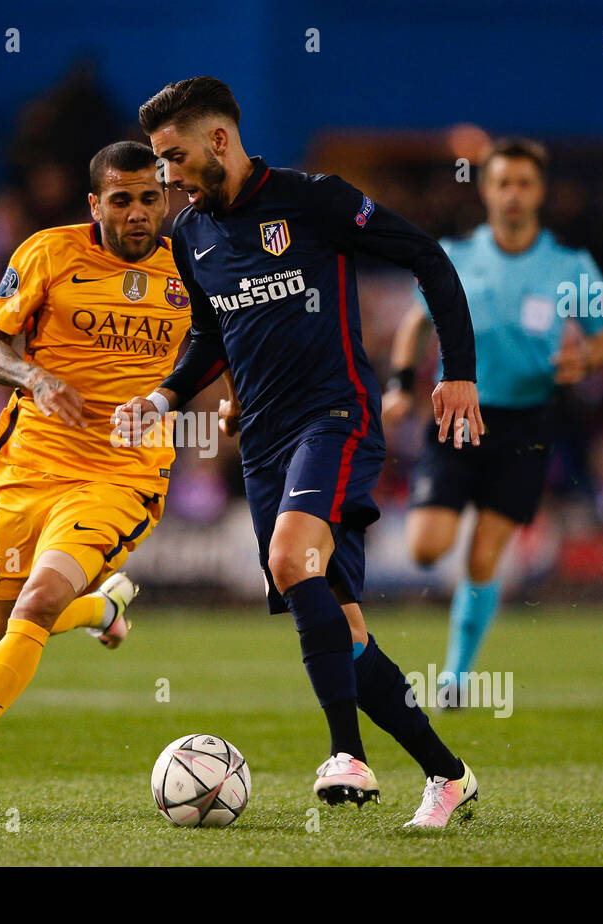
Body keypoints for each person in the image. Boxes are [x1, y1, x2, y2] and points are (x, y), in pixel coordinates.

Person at [118, 77, 482, 827]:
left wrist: (459, 372)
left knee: (290, 561)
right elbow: (211, 333)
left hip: (336, 418)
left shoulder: (315, 201)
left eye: (174, 157)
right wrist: (161, 400)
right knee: (344, 630)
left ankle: (345, 754)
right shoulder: (190, 236)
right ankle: (447, 775)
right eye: (159, 163)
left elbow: (429, 259)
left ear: (219, 140)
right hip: (263, 447)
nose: (167, 178)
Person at [0, 142, 190, 806]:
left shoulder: (191, 270)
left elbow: (224, 354)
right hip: (31, 463)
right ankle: (103, 606)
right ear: (96, 204)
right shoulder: (48, 253)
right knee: (5, 629)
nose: (139, 213)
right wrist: (35, 374)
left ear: (167, 199)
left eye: (151, 197)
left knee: (35, 606)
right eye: (122, 200)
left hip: (119, 473)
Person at [382, 138, 603, 704]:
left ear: (540, 192)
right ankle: (449, 510)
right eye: (503, 182)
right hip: (458, 416)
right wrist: (399, 384)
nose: (513, 194)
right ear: (486, 190)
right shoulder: (454, 256)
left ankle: (456, 678)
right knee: (425, 550)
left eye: (524, 183)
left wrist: (583, 358)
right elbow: (415, 324)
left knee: (485, 555)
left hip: (525, 427)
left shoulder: (569, 266)